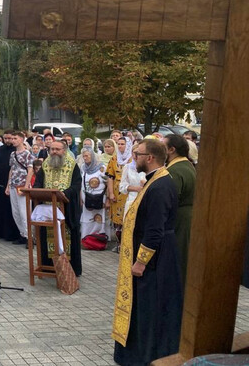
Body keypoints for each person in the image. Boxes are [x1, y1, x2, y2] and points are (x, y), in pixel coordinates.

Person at [112, 139, 182, 365]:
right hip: (155, 256)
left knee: (151, 306)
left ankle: (148, 355)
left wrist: (140, 262)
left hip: (156, 259)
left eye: (138, 154)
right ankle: (137, 352)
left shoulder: (160, 186)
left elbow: (154, 230)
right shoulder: (154, 181)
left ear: (150, 158)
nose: (134, 157)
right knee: (143, 305)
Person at [33, 141, 82, 276]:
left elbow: (77, 185)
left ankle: (70, 269)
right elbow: (38, 182)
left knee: (69, 239)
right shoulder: (45, 164)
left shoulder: (72, 165)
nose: (54, 151)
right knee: (46, 238)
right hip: (47, 210)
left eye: (57, 149)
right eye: (52, 149)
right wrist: (36, 191)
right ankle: (48, 266)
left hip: (66, 209)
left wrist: (65, 194)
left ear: (64, 151)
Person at [164, 134, 196, 285]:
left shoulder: (175, 170)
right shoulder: (187, 165)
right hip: (186, 216)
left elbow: (169, 199)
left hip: (179, 219)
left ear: (171, 150)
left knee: (178, 258)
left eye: (164, 147)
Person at [5, 131, 35, 245]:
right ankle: (22, 234)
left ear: (22, 140)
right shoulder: (13, 154)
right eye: (12, 138)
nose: (13, 140)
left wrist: (27, 186)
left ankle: (29, 237)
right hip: (13, 184)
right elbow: (12, 169)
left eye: (15, 138)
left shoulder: (28, 154)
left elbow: (30, 170)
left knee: (25, 212)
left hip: (23, 184)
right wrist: (8, 185)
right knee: (16, 212)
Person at [106, 136, 133, 252]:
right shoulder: (114, 159)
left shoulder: (132, 159)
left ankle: (127, 244)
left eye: (123, 144)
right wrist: (111, 193)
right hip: (117, 194)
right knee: (117, 221)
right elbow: (110, 177)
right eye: (119, 144)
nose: (120, 146)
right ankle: (118, 244)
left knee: (127, 219)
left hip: (128, 193)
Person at [0, 130, 20, 241]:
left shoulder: (16, 151)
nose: (8, 140)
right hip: (0, 183)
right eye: (6, 138)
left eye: (10, 138)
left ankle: (15, 234)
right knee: (1, 208)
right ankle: (1, 233)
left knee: (13, 209)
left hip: (14, 183)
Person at [79, 149, 108, 241]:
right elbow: (81, 183)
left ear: (93, 156)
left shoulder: (101, 168)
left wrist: (107, 198)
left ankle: (99, 238)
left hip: (100, 197)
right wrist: (81, 198)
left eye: (87, 156)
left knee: (99, 217)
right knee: (87, 217)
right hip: (87, 198)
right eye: (84, 156)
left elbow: (107, 182)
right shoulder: (83, 168)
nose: (85, 158)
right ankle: (87, 238)